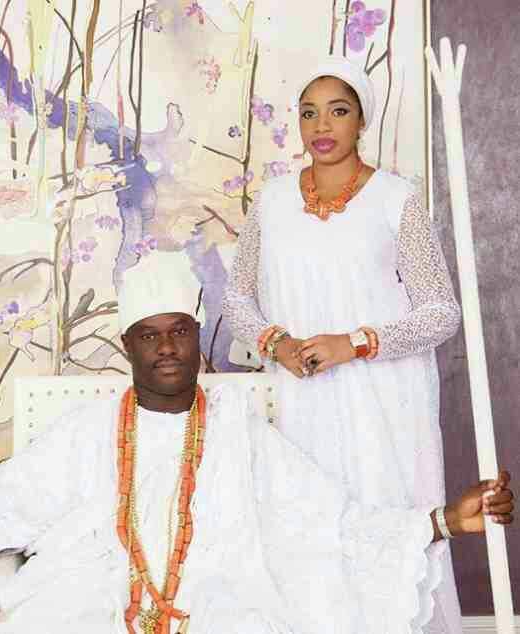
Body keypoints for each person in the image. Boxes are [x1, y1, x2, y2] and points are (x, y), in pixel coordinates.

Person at [0, 253, 512, 634]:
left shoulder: (241, 431)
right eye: (149, 335)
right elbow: (8, 504)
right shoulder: (86, 430)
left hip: (221, 594)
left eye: (179, 331)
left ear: (197, 338)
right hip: (95, 590)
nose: (166, 347)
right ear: (128, 347)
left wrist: (444, 521)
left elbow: (331, 520)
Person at [222, 56, 465, 632]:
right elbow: (236, 298)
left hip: (385, 401)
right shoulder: (272, 202)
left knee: (390, 524)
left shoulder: (396, 199)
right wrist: (276, 342)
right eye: (309, 113)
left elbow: (441, 313)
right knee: (311, 531)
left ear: (362, 121)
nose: (322, 126)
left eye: (338, 111)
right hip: (302, 401)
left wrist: (354, 343)